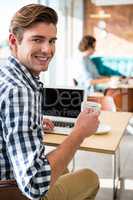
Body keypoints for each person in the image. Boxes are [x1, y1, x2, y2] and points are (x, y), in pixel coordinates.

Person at [0, 4, 100, 200]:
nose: (47, 50)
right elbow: (35, 185)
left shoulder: (6, 74)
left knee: (65, 170)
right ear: (14, 41)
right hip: (13, 192)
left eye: (52, 41)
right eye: (37, 40)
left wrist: (33, 119)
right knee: (90, 177)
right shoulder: (20, 91)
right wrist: (79, 133)